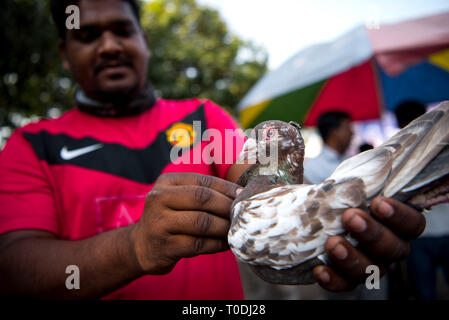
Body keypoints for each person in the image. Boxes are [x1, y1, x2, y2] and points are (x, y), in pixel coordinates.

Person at [0, 0, 425, 299]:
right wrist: (135, 247)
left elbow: (261, 184)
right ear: (63, 53)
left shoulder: (203, 116)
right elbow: (14, 270)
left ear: (144, 40)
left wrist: (327, 223)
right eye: (87, 34)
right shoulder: (32, 145)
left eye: (122, 30)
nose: (110, 45)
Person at [394, 101, 449, 300]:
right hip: (419, 237)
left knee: (425, 292)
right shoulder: (397, 154)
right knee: (424, 291)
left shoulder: (397, 155)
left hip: (420, 235)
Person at [304, 111, 352, 184]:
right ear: (334, 132)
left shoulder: (349, 159)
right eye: (347, 128)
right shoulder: (312, 168)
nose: (352, 133)